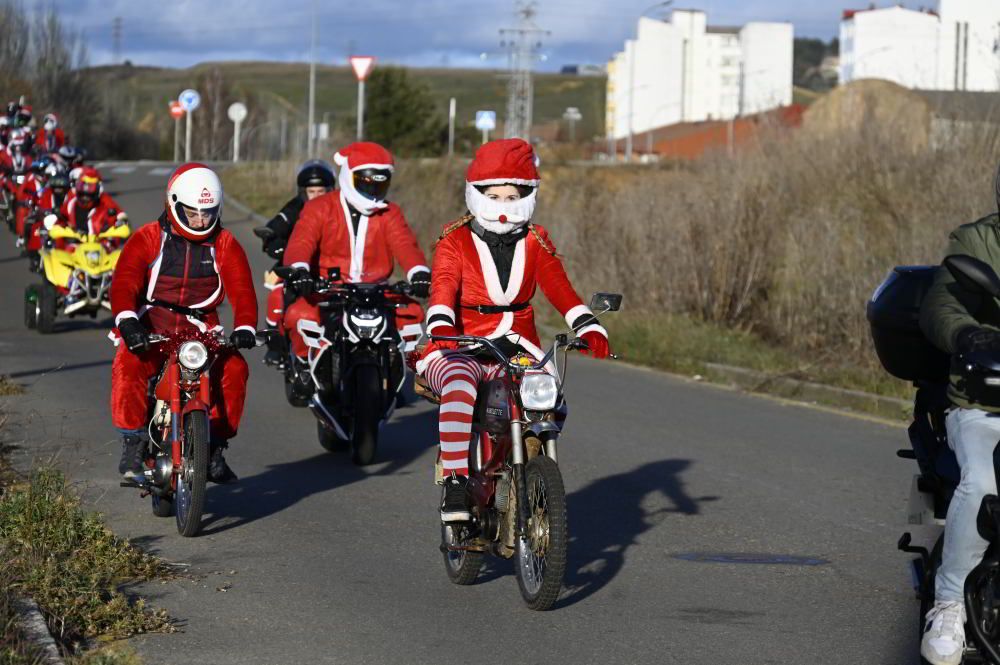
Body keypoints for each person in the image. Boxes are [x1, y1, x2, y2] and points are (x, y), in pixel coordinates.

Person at [414, 138, 611, 523]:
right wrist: (440, 325)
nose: (504, 203)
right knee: (459, 383)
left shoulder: (536, 240)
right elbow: (442, 288)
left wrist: (589, 324)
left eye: (513, 194)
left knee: (551, 399)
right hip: (459, 342)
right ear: (477, 192)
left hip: (517, 344)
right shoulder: (454, 239)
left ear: (527, 194)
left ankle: (524, 466)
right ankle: (456, 481)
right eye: (495, 194)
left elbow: (559, 288)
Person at [109, 163, 258, 483]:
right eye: (192, 212)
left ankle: (215, 447)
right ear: (173, 203)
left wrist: (245, 326)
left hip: (201, 328)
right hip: (153, 323)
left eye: (208, 212)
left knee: (234, 369)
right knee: (128, 362)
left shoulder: (226, 244)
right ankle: (133, 441)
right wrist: (128, 323)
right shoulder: (147, 238)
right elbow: (124, 284)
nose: (201, 220)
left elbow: (243, 290)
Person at [920, 164, 1000, 665]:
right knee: (984, 481)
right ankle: (948, 603)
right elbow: (942, 303)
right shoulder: (977, 240)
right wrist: (966, 334)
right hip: (985, 400)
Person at [281, 142, 431, 365]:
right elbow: (301, 242)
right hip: (329, 289)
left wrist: (419, 273)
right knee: (298, 315)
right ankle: (305, 365)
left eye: (380, 183)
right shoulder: (319, 207)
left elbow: (405, 244)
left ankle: (395, 364)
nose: (373, 190)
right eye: (366, 182)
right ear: (349, 176)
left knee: (413, 314)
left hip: (378, 291)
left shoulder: (390, 212)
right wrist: (300, 270)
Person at [259, 159, 335, 365]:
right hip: (297, 265)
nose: (317, 196)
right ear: (303, 192)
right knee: (277, 294)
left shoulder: (339, 212)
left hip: (332, 268)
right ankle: (276, 344)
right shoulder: (295, 207)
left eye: (322, 191)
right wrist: (271, 238)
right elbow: (278, 224)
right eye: (312, 192)